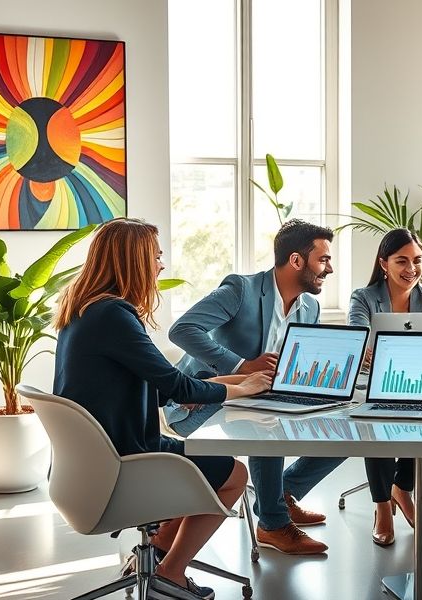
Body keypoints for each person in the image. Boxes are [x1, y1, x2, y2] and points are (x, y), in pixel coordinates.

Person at [53, 218, 272, 600]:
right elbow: (174, 385)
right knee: (234, 474)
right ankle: (169, 572)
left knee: (207, 462)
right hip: (128, 459)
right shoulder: (115, 316)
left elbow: (155, 387)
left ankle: (152, 558)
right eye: (155, 256)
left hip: (96, 458)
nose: (161, 264)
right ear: (133, 261)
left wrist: (234, 383)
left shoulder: (83, 310)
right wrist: (241, 388)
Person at [164, 219, 342, 556]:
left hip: (260, 399)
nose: (329, 268)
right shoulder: (241, 290)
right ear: (295, 260)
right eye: (323, 259)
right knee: (265, 415)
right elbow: (183, 329)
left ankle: (282, 494)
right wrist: (241, 366)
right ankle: (272, 524)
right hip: (199, 404)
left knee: (344, 425)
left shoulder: (311, 308)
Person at [347, 228, 422, 546]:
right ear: (384, 263)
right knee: (375, 424)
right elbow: (357, 331)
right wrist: (363, 346)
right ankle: (382, 507)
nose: (411, 269)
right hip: (376, 383)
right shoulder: (364, 297)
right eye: (401, 261)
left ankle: (402, 488)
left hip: (421, 381)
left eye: (417, 260)